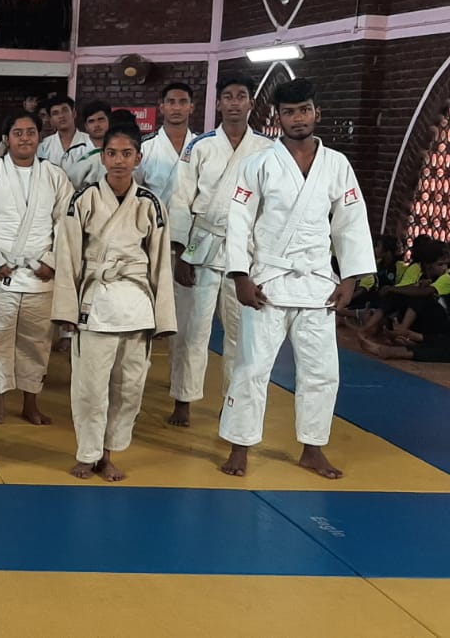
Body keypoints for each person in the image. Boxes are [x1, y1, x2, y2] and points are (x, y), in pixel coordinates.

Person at [220, 78, 373, 480]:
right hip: (267, 281)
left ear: (316, 113)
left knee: (321, 372)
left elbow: (350, 222)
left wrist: (350, 277)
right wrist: (240, 274)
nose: (298, 118)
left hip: (318, 282)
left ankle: (313, 448)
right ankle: (239, 445)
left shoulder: (337, 164)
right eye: (289, 112)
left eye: (304, 110)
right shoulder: (258, 164)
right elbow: (239, 221)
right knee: (252, 367)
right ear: (278, 117)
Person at [52, 123, 175, 481]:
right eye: (112, 153)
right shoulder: (84, 199)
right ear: (102, 157)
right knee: (90, 388)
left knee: (129, 388)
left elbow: (161, 263)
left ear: (138, 158)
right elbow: (67, 256)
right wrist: (66, 310)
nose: (119, 161)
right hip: (96, 302)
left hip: (137, 304)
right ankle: (87, 453)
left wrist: (164, 318)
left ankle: (108, 453)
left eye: (126, 154)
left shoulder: (151, 203)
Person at [166, 73, 275, 427]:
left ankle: (234, 401)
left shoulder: (268, 149)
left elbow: (273, 205)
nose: (234, 102)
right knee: (192, 329)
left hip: (246, 250)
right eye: (227, 96)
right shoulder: (200, 146)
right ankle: (183, 399)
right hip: (202, 243)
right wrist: (179, 251)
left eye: (241, 96)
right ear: (218, 103)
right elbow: (180, 199)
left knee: (241, 333)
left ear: (251, 103)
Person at [0, 112, 72, 425]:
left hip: (40, 274)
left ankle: (31, 403)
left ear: (39, 137)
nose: (25, 138)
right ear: (6, 139)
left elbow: (66, 222)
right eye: (18, 133)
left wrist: (52, 261)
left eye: (31, 132)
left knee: (37, 342)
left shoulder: (55, 175)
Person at [137, 82, 197, 207]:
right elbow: (133, 188)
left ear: (191, 108)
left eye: (183, 102)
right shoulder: (145, 147)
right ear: (162, 108)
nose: (177, 108)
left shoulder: (202, 145)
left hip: (193, 217)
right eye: (171, 102)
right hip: (154, 216)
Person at [37, 95, 99, 189]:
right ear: (51, 119)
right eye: (55, 113)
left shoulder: (90, 143)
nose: (61, 116)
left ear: (74, 113)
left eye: (65, 110)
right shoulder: (43, 146)